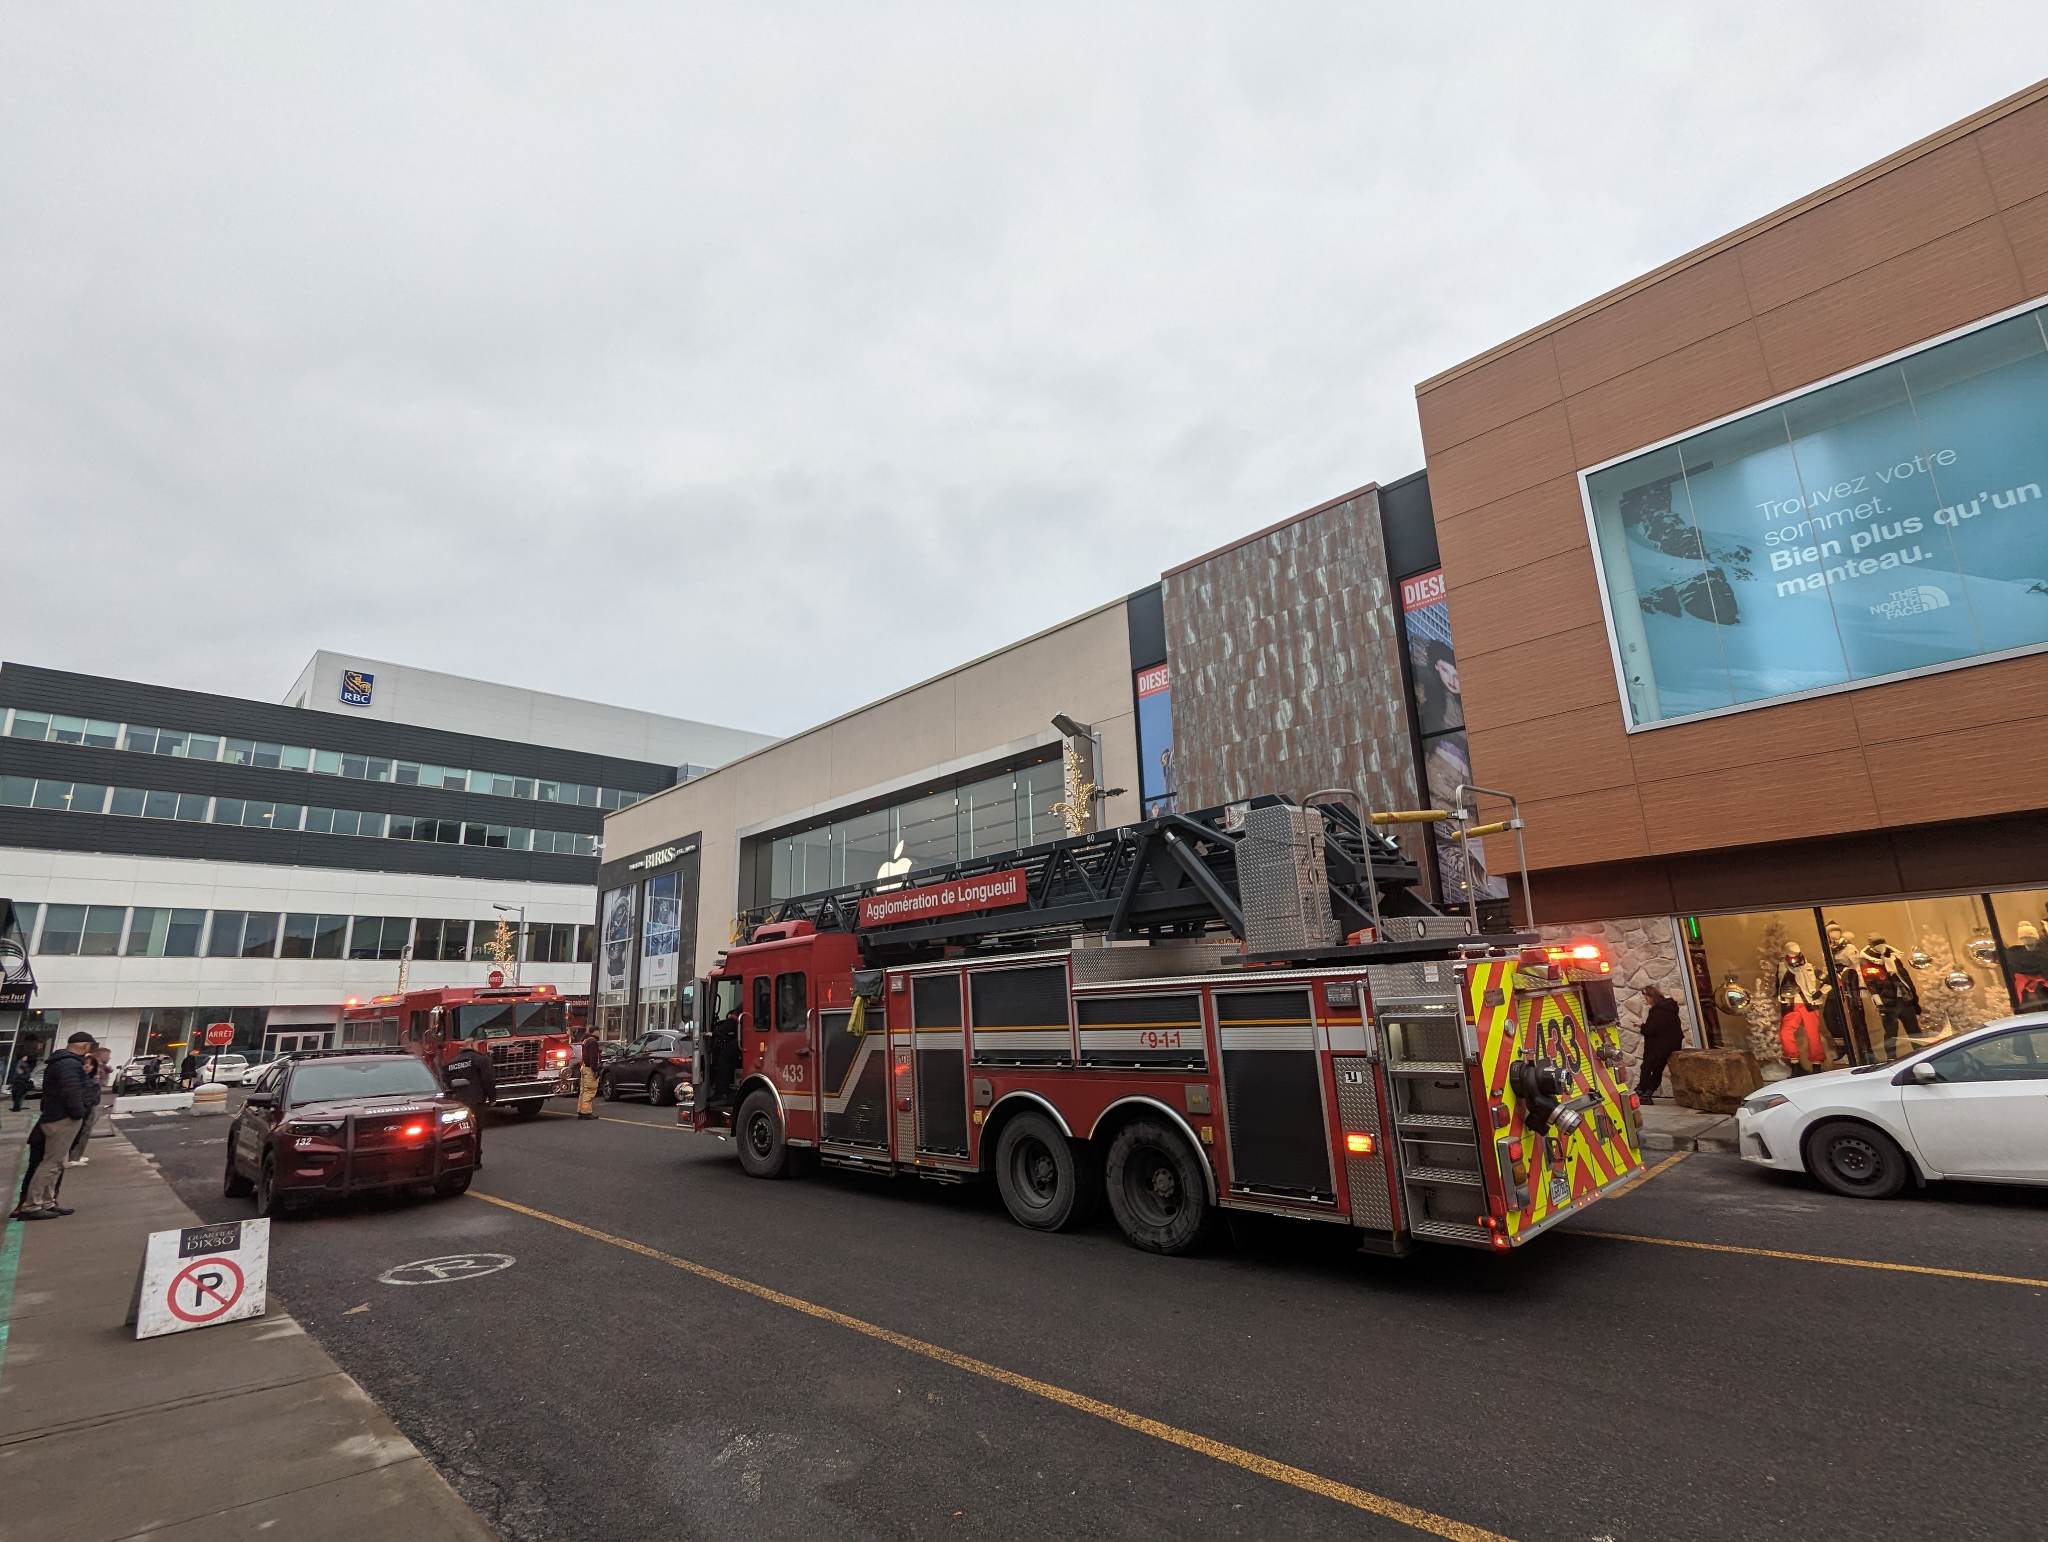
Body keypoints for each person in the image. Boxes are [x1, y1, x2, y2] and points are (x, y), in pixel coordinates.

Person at [16, 1031, 96, 1220]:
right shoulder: (69, 1064)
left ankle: (47, 1201)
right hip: (62, 1118)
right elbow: (71, 1090)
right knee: (51, 1163)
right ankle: (32, 1205)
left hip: (57, 1115)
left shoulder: (61, 1062)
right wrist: (78, 1112)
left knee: (57, 1162)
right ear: (85, 1046)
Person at [441, 1038, 493, 1161]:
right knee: (476, 1129)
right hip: (476, 1100)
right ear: (473, 1046)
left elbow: (446, 1081)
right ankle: (475, 1158)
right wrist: (492, 1097)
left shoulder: (451, 1063)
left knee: (459, 1130)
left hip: (457, 1102)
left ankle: (460, 1157)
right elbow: (488, 1080)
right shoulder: (481, 1060)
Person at [1634, 984, 1684, 1104]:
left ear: (1652, 997)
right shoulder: (1669, 1008)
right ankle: (1647, 1092)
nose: (1646, 1001)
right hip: (1671, 1045)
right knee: (1657, 1070)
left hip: (1657, 1047)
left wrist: (1641, 1026)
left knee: (1647, 1068)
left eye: (1646, 998)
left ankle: (1643, 1092)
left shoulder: (1657, 1011)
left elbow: (1651, 1030)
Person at [68, 1046, 109, 1165]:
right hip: (84, 1108)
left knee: (84, 1131)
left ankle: (75, 1156)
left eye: (90, 1065)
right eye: (85, 1064)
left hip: (89, 1106)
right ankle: (73, 1157)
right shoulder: (82, 1079)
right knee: (81, 1132)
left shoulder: (91, 1077)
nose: (87, 1067)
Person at [576, 1027, 602, 1119]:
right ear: (595, 1032)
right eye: (598, 1031)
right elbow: (593, 1058)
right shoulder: (593, 1042)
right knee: (590, 1090)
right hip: (589, 1069)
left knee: (583, 1091)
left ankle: (581, 1110)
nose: (599, 1033)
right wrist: (595, 1070)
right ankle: (586, 1112)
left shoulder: (585, 1041)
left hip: (584, 1068)